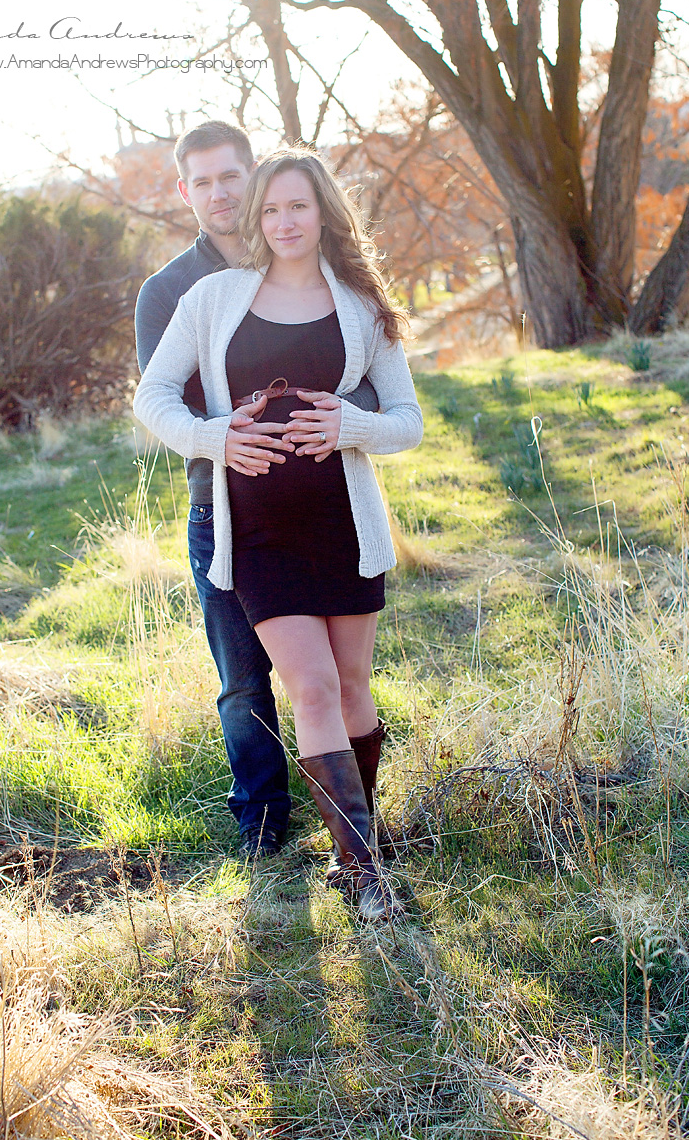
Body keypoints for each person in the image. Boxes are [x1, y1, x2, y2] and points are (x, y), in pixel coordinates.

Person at [134, 146, 423, 920]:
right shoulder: (214, 299)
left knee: (355, 687)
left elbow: (408, 420)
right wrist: (215, 435)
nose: (284, 221)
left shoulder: (362, 302)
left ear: (323, 211)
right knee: (314, 684)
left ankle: (357, 838)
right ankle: (365, 876)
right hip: (258, 527)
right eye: (270, 210)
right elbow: (153, 395)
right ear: (255, 220)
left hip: (343, 522)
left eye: (297, 206)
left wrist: (351, 421)